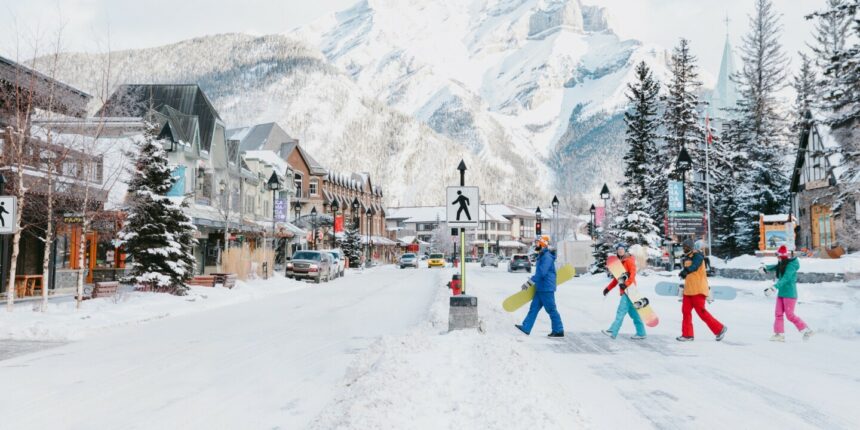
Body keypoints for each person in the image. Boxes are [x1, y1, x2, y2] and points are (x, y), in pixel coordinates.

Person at [676, 239, 727, 342]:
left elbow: (694, 267)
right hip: (688, 290)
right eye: (683, 247)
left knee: (701, 312)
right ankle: (687, 335)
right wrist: (683, 274)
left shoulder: (698, 256)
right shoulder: (687, 257)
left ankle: (720, 329)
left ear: (691, 247)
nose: (684, 249)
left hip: (698, 289)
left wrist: (685, 271)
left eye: (686, 247)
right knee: (685, 311)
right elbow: (689, 272)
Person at [760, 245, 813, 342]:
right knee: (778, 314)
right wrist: (765, 268)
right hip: (781, 293)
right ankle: (779, 334)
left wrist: (774, 287)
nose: (777, 258)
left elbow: (785, 279)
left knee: (790, 315)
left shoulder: (791, 266)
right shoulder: (783, 263)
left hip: (790, 293)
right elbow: (776, 267)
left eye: (778, 256)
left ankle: (806, 330)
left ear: (783, 256)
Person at [515, 235, 564, 337]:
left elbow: (542, 273)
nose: (535, 245)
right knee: (534, 308)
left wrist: (529, 283)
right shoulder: (542, 256)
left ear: (543, 244)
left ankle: (559, 330)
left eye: (537, 243)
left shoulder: (547, 257)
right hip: (541, 287)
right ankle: (526, 327)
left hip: (546, 288)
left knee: (551, 309)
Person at [601, 243, 646, 340]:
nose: (620, 250)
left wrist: (626, 284)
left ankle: (613, 331)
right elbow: (617, 279)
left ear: (625, 250)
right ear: (617, 251)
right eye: (618, 249)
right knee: (635, 314)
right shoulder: (620, 262)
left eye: (622, 249)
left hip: (629, 290)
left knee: (620, 311)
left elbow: (633, 274)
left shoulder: (629, 261)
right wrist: (608, 288)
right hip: (628, 290)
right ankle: (641, 333)